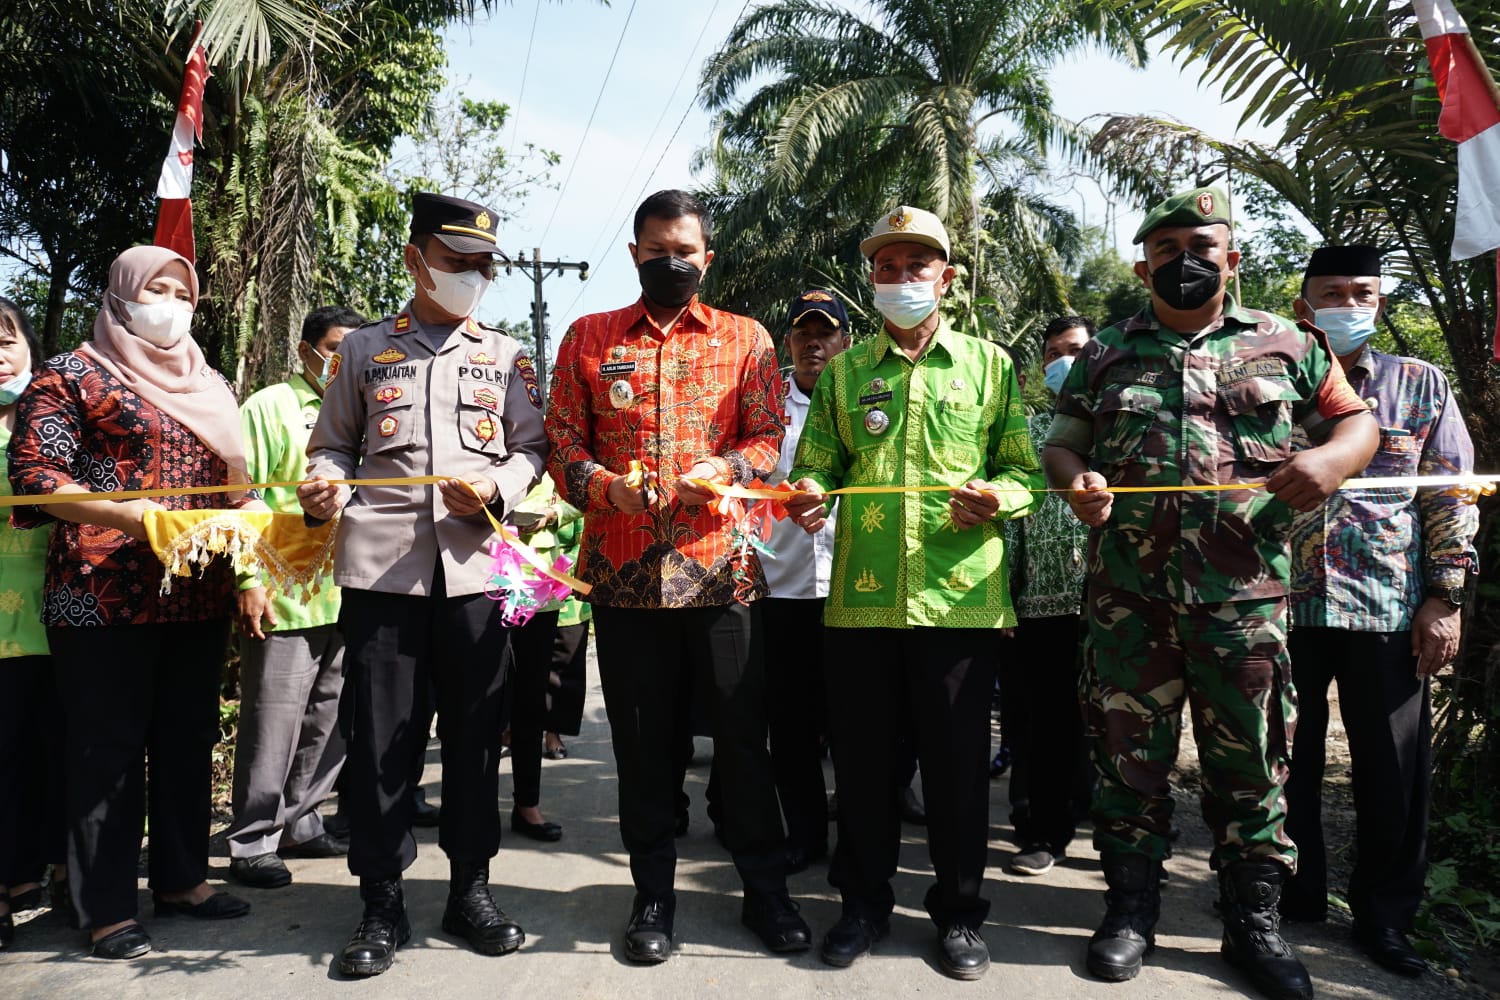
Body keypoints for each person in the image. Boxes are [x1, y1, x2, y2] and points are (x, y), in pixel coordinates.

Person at [1041, 186, 1379, 999]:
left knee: (1253, 767)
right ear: (1142, 263)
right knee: (1129, 762)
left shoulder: (1288, 342)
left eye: (1202, 245)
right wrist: (1076, 481)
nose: (1184, 261)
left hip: (1245, 600)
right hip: (1131, 603)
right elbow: (1064, 442)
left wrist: (1331, 463)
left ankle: (1251, 924)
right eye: (1166, 249)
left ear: (1232, 257)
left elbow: (1355, 422)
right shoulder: (1108, 349)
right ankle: (1129, 912)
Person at [546, 188, 809, 964]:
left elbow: (766, 438)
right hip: (625, 581)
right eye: (658, 250)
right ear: (635, 254)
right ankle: (653, 896)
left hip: (721, 574)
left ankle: (767, 892)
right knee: (642, 745)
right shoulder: (589, 337)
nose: (672, 262)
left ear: (707, 256)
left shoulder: (747, 338)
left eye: (685, 250)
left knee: (741, 741)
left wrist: (725, 468)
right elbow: (563, 443)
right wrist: (604, 487)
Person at [785, 205, 1043, 981]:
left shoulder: (990, 367)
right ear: (872, 281)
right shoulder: (844, 370)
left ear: (947, 279)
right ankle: (861, 907)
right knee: (863, 769)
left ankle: (960, 916)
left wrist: (998, 497)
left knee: (958, 771)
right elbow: (820, 467)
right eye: (887, 268)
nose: (901, 280)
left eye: (916, 267)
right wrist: (807, 490)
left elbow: (1025, 473)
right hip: (861, 597)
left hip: (959, 599)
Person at [298, 192, 548, 977]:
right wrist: (322, 484)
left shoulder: (506, 355)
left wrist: (499, 491)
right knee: (379, 743)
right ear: (415, 261)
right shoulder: (366, 352)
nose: (473, 276)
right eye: (457, 262)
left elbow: (533, 449)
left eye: (484, 266)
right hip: (384, 576)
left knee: (476, 740)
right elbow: (332, 446)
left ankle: (469, 889)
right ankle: (381, 900)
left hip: (475, 576)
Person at [8, 245, 260, 960]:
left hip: (196, 592)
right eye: (156, 286)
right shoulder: (72, 374)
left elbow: (236, 491)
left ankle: (182, 878)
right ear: (120, 293)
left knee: (186, 738)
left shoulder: (209, 381)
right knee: (107, 752)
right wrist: (139, 516)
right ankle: (106, 905)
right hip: (102, 595)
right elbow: (35, 479)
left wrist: (252, 573)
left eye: (183, 290)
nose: (171, 302)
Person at [1281, 245, 1478, 977]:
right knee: (1284, 763)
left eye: (1362, 291)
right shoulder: (1270, 388)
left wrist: (1444, 597)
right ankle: (1292, 895)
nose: (1349, 303)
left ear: (1382, 303)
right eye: (1332, 292)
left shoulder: (1419, 384)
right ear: (1303, 308)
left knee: (1393, 774)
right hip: (1284, 609)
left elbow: (1451, 494)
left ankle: (1385, 918)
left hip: (1389, 611)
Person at [226, 305, 363, 890]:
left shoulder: (360, 409)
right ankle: (252, 840)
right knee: (273, 719)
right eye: (334, 348)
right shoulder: (269, 407)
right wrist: (247, 581)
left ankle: (302, 822)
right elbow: (241, 497)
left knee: (328, 719)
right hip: (285, 588)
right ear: (306, 349)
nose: (341, 361)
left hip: (347, 586)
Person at [1001, 316, 1097, 878]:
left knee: (1113, 720)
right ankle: (1041, 830)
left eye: (1077, 351)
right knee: (1040, 721)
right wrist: (1006, 596)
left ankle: (1119, 825)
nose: (1066, 362)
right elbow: (1011, 519)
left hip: (1119, 602)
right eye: (1055, 354)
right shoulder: (1034, 433)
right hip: (1040, 602)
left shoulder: (1127, 429)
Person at [762, 289, 850, 873]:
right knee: (791, 727)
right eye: (802, 333)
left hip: (855, 588)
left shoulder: (868, 399)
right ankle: (804, 833)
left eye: (826, 332)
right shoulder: (766, 405)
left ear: (845, 340)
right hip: (781, 586)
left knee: (856, 723)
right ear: (788, 342)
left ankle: (863, 834)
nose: (813, 342)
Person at [0, 297, 67, 945]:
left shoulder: (54, 421)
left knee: (53, 758)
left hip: (62, 624)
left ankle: (34, 877)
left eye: (7, 340)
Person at [502, 477, 582, 844]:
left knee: (532, 700)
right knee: (476, 700)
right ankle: (472, 804)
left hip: (539, 586)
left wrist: (552, 512)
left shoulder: (549, 428)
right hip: (478, 579)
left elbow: (582, 495)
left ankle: (527, 804)